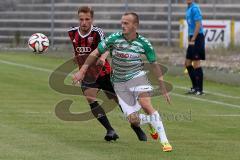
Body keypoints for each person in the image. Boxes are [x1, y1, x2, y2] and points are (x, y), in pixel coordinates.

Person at [72, 12, 173, 152]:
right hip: (119, 83)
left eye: (126, 23)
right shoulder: (114, 38)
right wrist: (82, 71)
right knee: (133, 120)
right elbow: (95, 52)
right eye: (122, 23)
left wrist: (163, 87)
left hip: (138, 77)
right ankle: (150, 120)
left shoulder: (144, 43)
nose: (123, 25)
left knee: (146, 104)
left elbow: (154, 65)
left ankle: (165, 141)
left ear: (135, 25)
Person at [68, 6, 147, 141]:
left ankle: (136, 127)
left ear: (92, 19)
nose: (84, 22)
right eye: (81, 19)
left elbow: (107, 47)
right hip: (88, 75)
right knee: (90, 98)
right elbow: (76, 50)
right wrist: (78, 64)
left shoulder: (97, 32)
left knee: (119, 100)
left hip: (104, 73)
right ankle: (110, 130)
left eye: (87, 19)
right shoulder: (72, 33)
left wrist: (103, 57)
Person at [185, 0, 205, 95]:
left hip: (197, 37)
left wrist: (193, 38)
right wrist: (190, 38)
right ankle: (195, 87)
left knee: (196, 63)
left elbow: (198, 24)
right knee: (188, 63)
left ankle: (200, 90)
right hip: (192, 37)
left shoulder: (195, 8)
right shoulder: (189, 8)